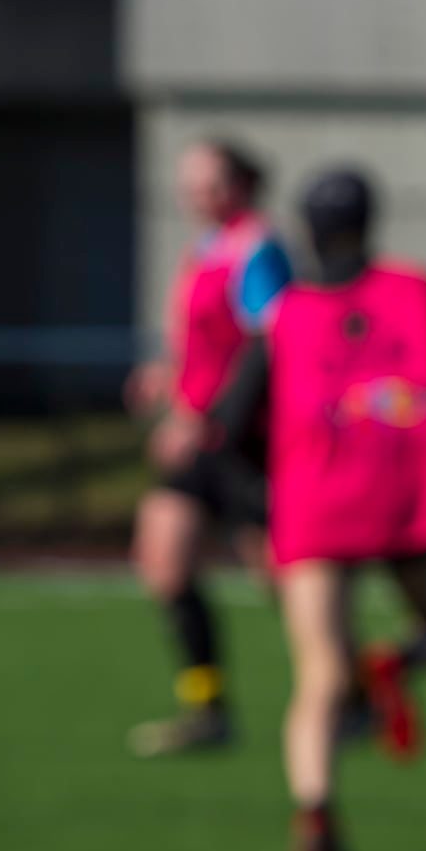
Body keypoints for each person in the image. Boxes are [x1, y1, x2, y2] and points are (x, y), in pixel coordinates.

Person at [203, 166, 426, 851]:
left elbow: (225, 425)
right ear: (371, 219)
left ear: (306, 230)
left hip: (315, 508)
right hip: (405, 494)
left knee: (318, 678)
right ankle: (391, 662)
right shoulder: (420, 291)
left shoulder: (283, 316)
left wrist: (258, 503)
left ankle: (315, 812)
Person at [125, 139, 292, 758]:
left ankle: (352, 692)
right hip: (196, 438)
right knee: (163, 559)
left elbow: (269, 343)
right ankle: (207, 707)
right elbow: (202, 342)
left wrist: (208, 419)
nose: (194, 193)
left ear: (240, 184)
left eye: (207, 181)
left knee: (283, 581)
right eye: (189, 182)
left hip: (244, 442)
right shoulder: (203, 250)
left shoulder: (258, 249)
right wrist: (166, 376)